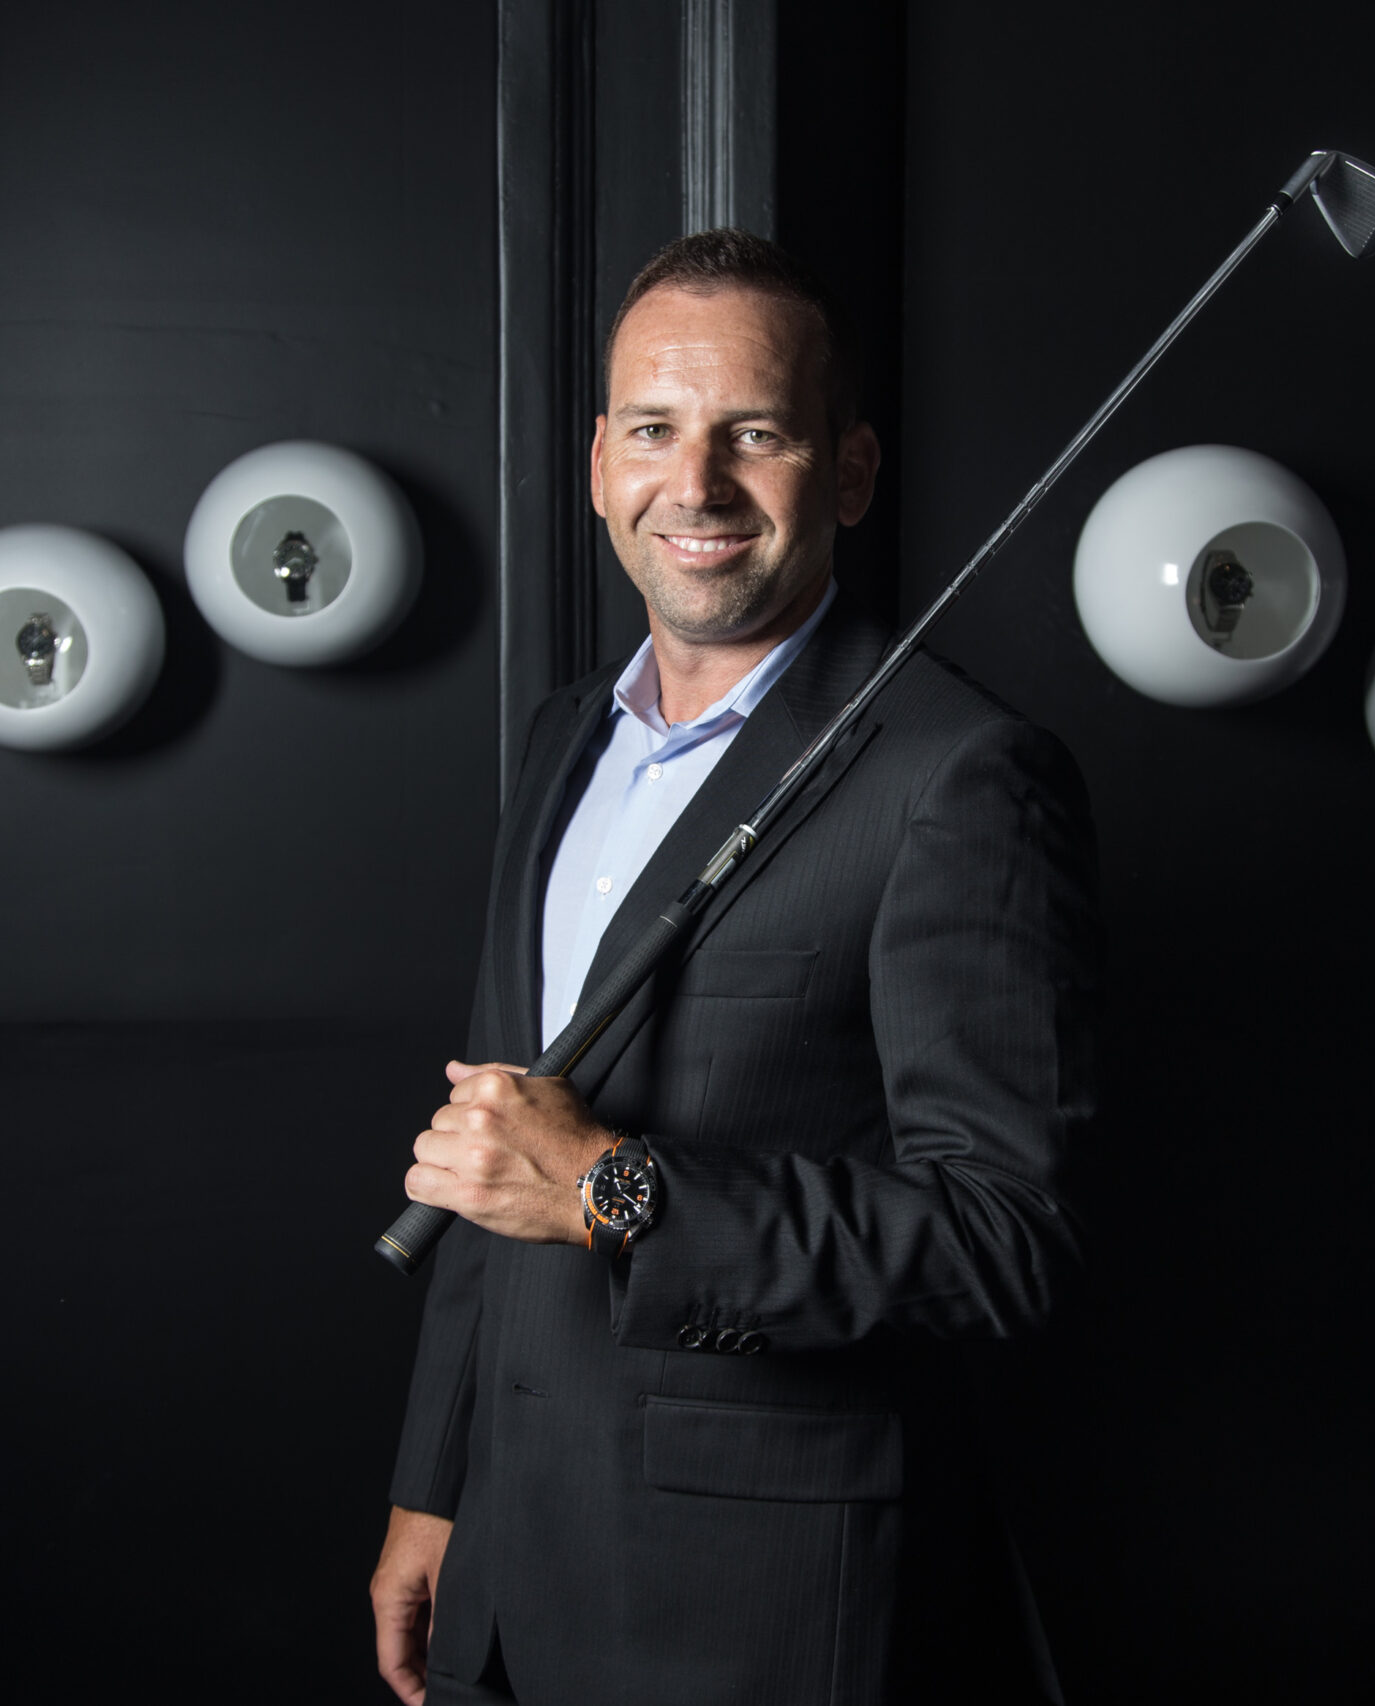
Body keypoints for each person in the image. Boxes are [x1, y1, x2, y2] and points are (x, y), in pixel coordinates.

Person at [371, 229, 1100, 1706]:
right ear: (599, 463)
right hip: (508, 1561)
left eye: (755, 434)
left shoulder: (960, 772)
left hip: (752, 1601)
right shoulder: (563, 735)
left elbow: (1005, 1236)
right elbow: (496, 1136)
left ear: (850, 470)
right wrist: (434, 1483)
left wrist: (615, 1190)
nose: (694, 484)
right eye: (653, 429)